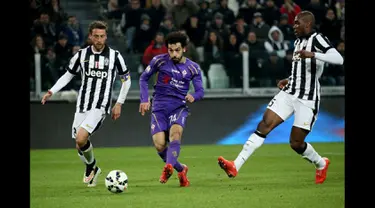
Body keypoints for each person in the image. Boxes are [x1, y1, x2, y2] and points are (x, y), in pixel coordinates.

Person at [217, 11, 344, 184]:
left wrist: (313, 54)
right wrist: (289, 79)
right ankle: (235, 165)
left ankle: (321, 163)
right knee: (264, 125)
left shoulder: (318, 39)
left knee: (296, 143)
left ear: (307, 24)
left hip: (307, 98)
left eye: (297, 23)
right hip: (290, 92)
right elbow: (301, 70)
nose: (294, 26)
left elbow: (338, 58)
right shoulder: (298, 41)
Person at [41, 21, 132, 187]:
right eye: (96, 36)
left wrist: (119, 103)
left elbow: (126, 80)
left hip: (100, 106)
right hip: (82, 105)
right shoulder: (81, 55)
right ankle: (93, 168)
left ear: (106, 37)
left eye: (102, 36)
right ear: (90, 36)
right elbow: (68, 75)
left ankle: (90, 166)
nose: (99, 39)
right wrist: (52, 91)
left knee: (82, 137)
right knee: (79, 143)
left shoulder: (115, 56)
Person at [139, 31, 204, 187]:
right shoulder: (159, 61)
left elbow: (200, 91)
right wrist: (144, 99)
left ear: (184, 49)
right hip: (159, 107)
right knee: (160, 145)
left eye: (177, 50)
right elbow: (143, 78)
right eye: (170, 50)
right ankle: (181, 169)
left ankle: (168, 167)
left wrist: (194, 96)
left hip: (178, 107)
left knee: (175, 135)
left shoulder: (193, 68)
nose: (173, 54)